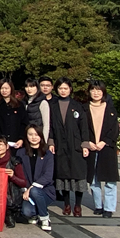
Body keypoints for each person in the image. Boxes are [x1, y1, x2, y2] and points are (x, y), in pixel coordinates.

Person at [48, 77, 89, 217]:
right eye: (60, 88)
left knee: (78, 176)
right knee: (63, 176)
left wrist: (85, 144)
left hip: (75, 145)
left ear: (70, 89)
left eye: (65, 88)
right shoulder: (53, 106)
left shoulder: (77, 106)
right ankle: (66, 204)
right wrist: (51, 142)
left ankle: (78, 205)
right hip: (60, 145)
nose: (63, 91)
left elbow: (84, 127)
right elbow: (50, 127)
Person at [85, 79, 119, 218]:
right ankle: (98, 205)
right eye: (93, 90)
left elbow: (114, 130)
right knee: (94, 179)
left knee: (110, 180)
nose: (96, 93)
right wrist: (87, 142)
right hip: (91, 147)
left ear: (103, 92)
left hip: (107, 148)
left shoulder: (110, 109)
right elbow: (81, 128)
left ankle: (109, 207)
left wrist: (104, 142)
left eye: (99, 90)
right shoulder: (84, 108)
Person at [17, 125, 55, 232]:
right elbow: (20, 174)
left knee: (34, 191)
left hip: (45, 191)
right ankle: (36, 213)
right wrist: (25, 189)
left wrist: (30, 189)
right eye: (30, 134)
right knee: (27, 212)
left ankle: (44, 217)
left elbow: (48, 176)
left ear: (41, 136)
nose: (33, 137)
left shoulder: (47, 153)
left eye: (36, 134)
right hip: (27, 191)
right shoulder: (21, 153)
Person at [0, 136, 27, 228]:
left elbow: (23, 182)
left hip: (9, 194)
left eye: (0, 144)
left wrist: (13, 176)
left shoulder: (14, 161)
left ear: (7, 146)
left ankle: (9, 214)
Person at [0, 79, 29, 150]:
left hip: (16, 142)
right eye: (2, 88)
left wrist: (21, 138)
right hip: (0, 143)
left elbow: (24, 123)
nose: (4, 90)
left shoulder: (19, 105)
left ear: (11, 89)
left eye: (6, 88)